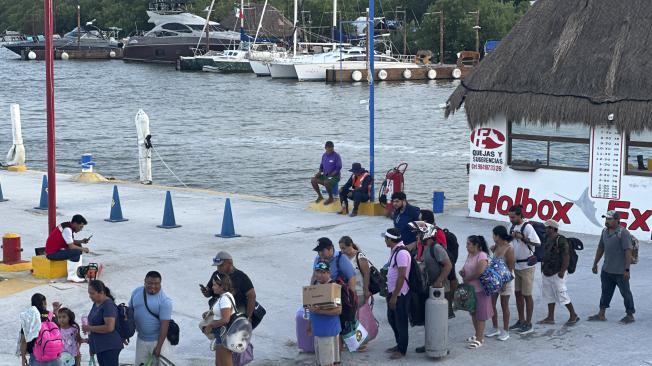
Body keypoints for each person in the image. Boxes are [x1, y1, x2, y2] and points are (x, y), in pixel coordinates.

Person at [589, 210, 635, 324]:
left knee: (625, 293)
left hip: (620, 271)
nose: (607, 221)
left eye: (610, 219)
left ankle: (630, 315)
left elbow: (628, 252)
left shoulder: (623, 233)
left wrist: (627, 269)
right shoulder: (604, 231)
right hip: (607, 270)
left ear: (617, 220)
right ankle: (601, 314)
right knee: (605, 292)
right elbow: (601, 248)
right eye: (606, 219)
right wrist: (595, 263)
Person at [415, 228, 452, 353]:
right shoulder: (425, 248)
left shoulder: (437, 248)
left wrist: (439, 280)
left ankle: (442, 345)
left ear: (427, 236)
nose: (418, 237)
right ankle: (430, 343)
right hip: (429, 287)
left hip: (439, 289)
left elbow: (448, 265)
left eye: (420, 234)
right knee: (429, 318)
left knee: (440, 318)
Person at [537, 220, 579, 326]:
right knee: (549, 294)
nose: (545, 229)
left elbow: (566, 256)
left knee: (562, 294)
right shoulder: (546, 238)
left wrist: (562, 272)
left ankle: (573, 315)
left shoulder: (561, 240)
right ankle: (550, 317)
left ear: (552, 228)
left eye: (547, 228)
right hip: (547, 271)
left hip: (557, 272)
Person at [508, 204, 541, 335]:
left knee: (527, 295)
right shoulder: (510, 226)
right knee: (517, 294)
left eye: (513, 217)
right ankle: (521, 320)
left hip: (527, 266)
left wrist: (523, 238)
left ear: (520, 215)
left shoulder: (528, 227)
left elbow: (537, 243)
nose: (510, 219)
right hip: (516, 266)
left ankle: (528, 323)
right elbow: (508, 240)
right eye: (509, 217)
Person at [129, 271, 173, 365]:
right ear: (144, 282)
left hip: (157, 341)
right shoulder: (136, 292)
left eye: (156, 283)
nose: (153, 286)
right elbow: (130, 313)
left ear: (160, 283)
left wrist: (159, 347)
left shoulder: (165, 301)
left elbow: (164, 326)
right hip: (141, 340)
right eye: (150, 283)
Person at [202, 251, 257, 322]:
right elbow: (209, 292)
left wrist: (248, 316)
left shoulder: (241, 277)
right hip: (219, 311)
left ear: (230, 263)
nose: (218, 268)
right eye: (217, 266)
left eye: (221, 265)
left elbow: (251, 296)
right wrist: (206, 292)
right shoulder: (216, 274)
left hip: (235, 315)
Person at [306, 261, 343, 366]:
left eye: (322, 272)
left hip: (328, 331)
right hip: (318, 331)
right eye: (317, 272)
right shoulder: (315, 285)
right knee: (323, 361)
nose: (319, 275)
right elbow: (310, 307)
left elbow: (338, 310)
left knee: (327, 362)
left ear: (328, 273)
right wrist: (309, 324)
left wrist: (320, 311)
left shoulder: (334, 288)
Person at [459, 235, 493, 350]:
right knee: (473, 313)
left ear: (476, 245)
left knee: (481, 315)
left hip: (480, 290)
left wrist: (467, 278)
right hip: (470, 289)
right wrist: (463, 272)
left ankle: (480, 338)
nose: (466, 246)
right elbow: (466, 267)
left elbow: (479, 272)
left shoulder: (482, 255)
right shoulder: (470, 254)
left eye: (468, 244)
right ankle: (477, 335)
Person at [383, 228, 410, 360]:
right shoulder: (395, 250)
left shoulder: (401, 254)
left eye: (386, 238)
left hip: (400, 294)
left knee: (401, 322)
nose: (384, 240)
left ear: (390, 240)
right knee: (392, 319)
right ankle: (399, 344)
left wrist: (394, 296)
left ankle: (402, 349)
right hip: (393, 292)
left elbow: (401, 276)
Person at [83, 280, 123, 366]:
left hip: (109, 346)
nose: (90, 296)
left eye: (92, 293)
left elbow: (109, 327)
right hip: (100, 346)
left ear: (101, 292)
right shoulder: (96, 302)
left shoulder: (108, 305)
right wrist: (92, 345)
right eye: (89, 293)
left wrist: (89, 328)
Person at [487, 226, 515, 341]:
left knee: (504, 306)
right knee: (491, 304)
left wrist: (503, 284)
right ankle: (495, 327)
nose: (492, 237)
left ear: (498, 236)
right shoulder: (497, 246)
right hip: (495, 279)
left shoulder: (509, 248)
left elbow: (511, 267)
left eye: (493, 235)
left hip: (506, 281)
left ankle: (506, 330)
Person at [44, 214, 91, 283]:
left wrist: (81, 241)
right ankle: (73, 276)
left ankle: (77, 269)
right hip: (52, 254)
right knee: (76, 252)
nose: (81, 229)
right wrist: (84, 249)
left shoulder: (67, 226)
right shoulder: (67, 230)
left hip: (55, 250)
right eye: (80, 227)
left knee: (78, 246)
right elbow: (71, 246)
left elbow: (69, 241)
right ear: (75, 224)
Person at [20, 293, 62, 366]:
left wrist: (23, 357)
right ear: (44, 303)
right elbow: (59, 330)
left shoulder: (30, 317)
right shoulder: (50, 315)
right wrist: (55, 313)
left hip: (37, 358)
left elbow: (24, 340)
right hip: (54, 356)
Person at [203, 273, 236, 366]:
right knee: (219, 363)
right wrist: (210, 312)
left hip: (224, 333)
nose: (212, 287)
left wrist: (210, 325)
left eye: (214, 285)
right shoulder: (223, 296)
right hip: (221, 333)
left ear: (222, 286)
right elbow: (223, 311)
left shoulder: (225, 298)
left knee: (225, 363)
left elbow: (225, 319)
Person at [338, 236, 371, 307]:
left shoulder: (360, 257)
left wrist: (366, 290)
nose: (342, 251)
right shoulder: (342, 257)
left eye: (344, 248)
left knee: (359, 316)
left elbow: (366, 274)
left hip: (359, 293)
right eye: (341, 248)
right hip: (347, 292)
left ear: (350, 245)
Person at [311, 141, 342, 205]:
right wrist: (319, 172)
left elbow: (338, 167)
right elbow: (321, 166)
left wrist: (332, 174)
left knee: (326, 182)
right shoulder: (324, 155)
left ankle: (331, 198)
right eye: (329, 148)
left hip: (335, 177)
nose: (331, 149)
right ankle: (320, 196)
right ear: (325, 148)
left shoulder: (336, 156)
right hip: (325, 176)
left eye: (332, 148)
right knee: (313, 180)